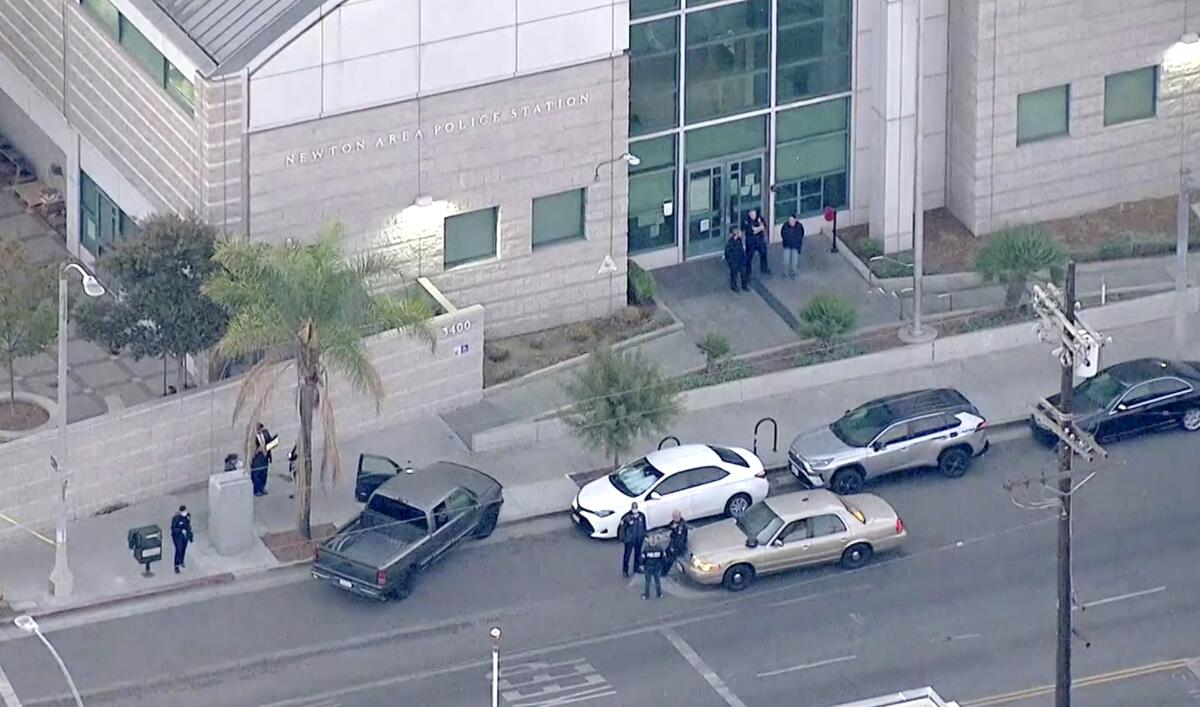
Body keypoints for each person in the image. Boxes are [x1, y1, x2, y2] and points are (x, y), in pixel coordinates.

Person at [618, 502, 647, 577]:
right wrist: (624, 539)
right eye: (633, 508)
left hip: (639, 538)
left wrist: (644, 535)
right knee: (627, 555)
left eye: (636, 508)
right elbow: (622, 529)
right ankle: (625, 570)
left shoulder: (641, 515)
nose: (635, 509)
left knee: (638, 554)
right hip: (630, 540)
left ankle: (636, 567)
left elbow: (644, 526)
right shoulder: (626, 517)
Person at [744, 208, 771, 277]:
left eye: (754, 214)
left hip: (760, 241)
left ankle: (764, 269)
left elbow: (764, 226)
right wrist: (759, 228)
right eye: (752, 214)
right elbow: (752, 231)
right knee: (749, 257)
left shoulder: (759, 218)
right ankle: (748, 272)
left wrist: (758, 229)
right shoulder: (746, 221)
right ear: (749, 214)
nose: (753, 216)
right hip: (751, 243)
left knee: (763, 254)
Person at [251, 422, 276, 496]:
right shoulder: (252, 437)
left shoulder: (265, 433)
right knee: (256, 473)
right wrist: (257, 450)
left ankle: (262, 487)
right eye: (258, 430)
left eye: (260, 429)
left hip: (265, 455)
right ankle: (257, 489)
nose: (260, 431)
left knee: (264, 472)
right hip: (257, 457)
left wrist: (273, 443)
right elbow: (249, 447)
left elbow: (269, 441)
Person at [724, 228, 750, 293]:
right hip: (734, 262)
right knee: (734, 275)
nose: (741, 234)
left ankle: (744, 286)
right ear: (736, 234)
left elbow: (741, 249)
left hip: (741, 260)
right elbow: (727, 253)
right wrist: (730, 261)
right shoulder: (730, 243)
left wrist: (744, 257)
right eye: (739, 233)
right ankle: (734, 287)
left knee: (743, 273)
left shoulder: (739, 240)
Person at [780, 214, 806, 279]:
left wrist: (797, 244)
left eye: (792, 220)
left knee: (794, 262)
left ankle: (794, 274)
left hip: (795, 246)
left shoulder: (799, 226)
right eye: (789, 220)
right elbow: (782, 234)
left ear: (795, 220)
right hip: (787, 246)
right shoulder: (785, 226)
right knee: (786, 261)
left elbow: (801, 235)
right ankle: (785, 274)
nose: (791, 222)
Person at [170, 505, 194, 574]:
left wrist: (190, 535)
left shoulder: (187, 516)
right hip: (177, 537)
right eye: (183, 511)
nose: (185, 512)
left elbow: (188, 525)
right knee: (178, 550)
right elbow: (173, 528)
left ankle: (181, 561)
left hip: (185, 536)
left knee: (183, 549)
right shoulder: (176, 518)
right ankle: (176, 566)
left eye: (185, 511)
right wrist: (181, 530)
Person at [665, 511, 689, 576]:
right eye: (673, 516)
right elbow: (670, 526)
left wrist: (673, 548)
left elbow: (679, 539)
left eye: (676, 516)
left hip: (678, 545)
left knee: (670, 558)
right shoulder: (674, 523)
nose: (674, 518)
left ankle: (664, 572)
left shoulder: (682, 526)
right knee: (666, 552)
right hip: (673, 542)